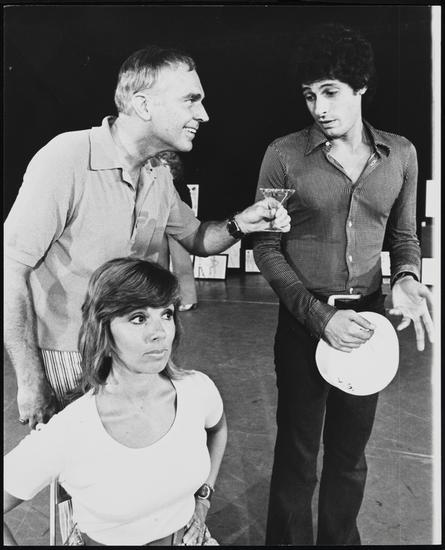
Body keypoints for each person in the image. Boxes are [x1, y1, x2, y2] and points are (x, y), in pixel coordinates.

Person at [4, 45, 290, 429]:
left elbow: (197, 238)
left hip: (129, 352)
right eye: (191, 100)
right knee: (78, 464)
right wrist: (30, 380)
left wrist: (243, 223)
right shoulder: (66, 157)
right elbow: (9, 268)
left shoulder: (158, 174)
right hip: (69, 355)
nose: (203, 114)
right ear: (143, 104)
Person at [252, 23, 434, 546]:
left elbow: (404, 237)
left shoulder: (401, 154)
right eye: (309, 95)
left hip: (369, 324)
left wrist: (405, 277)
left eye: (330, 92)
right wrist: (319, 317)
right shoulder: (283, 156)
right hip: (303, 322)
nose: (319, 107)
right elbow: (266, 247)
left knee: (350, 457)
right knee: (297, 454)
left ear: (360, 88)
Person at [4, 258, 227, 546]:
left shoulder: (197, 390)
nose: (160, 333)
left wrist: (204, 497)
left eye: (167, 314)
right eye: (138, 318)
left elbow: (218, 429)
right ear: (103, 330)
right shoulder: (70, 431)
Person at [157, 151, 198, 311]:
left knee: (182, 262)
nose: (162, 168)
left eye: (165, 164)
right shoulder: (153, 183)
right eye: (159, 164)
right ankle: (161, 298)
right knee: (159, 264)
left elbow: (187, 207)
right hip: (159, 225)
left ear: (172, 167)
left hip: (178, 226)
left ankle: (188, 298)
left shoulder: (179, 184)